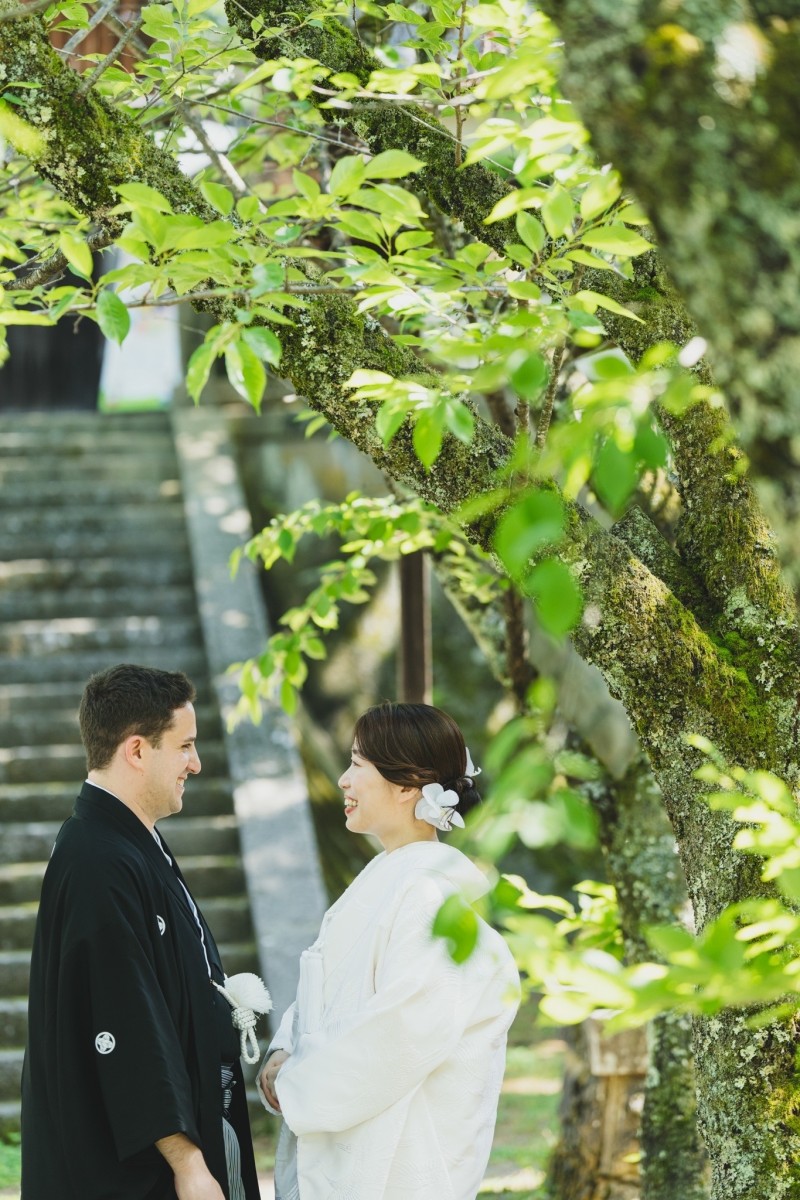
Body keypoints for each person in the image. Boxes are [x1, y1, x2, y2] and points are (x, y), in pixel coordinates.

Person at [258, 701, 520, 1200]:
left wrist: (296, 1082)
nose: (343, 780)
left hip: (396, 1163)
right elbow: (327, 992)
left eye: (358, 763)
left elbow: (402, 1030)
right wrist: (284, 1051)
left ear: (408, 785)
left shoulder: (430, 897)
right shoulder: (390, 878)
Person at [20, 663, 260, 1200]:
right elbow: (124, 1017)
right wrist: (188, 1162)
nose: (196, 763)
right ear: (136, 751)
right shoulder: (97, 858)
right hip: (139, 1166)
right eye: (185, 746)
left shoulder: (127, 840)